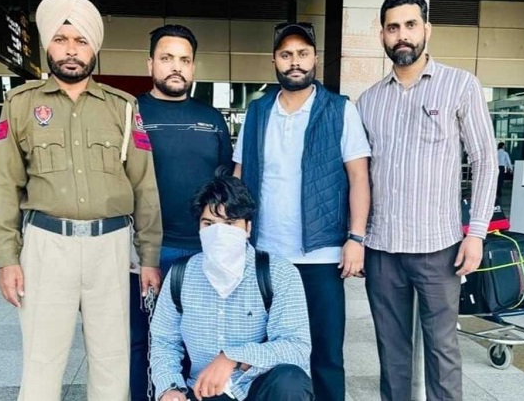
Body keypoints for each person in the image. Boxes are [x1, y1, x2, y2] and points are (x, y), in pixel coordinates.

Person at [0, 0, 162, 399]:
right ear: (48, 45)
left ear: (93, 48)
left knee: (112, 361)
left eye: (81, 40)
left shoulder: (122, 107)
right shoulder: (21, 104)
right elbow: (5, 185)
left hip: (111, 247)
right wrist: (7, 259)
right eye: (61, 39)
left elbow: (144, 186)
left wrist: (149, 257)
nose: (71, 50)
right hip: (47, 246)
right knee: (42, 361)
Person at [356, 0, 498, 400]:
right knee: (392, 354)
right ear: (382, 35)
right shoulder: (369, 100)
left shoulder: (460, 85)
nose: (402, 35)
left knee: (442, 352)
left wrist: (476, 233)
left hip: (438, 248)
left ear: (426, 29)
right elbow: (359, 176)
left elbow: (485, 160)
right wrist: (357, 238)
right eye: (393, 27)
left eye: (410, 25)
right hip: (382, 249)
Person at [233, 22, 371, 401]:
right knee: (266, 355)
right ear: (274, 60)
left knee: (326, 356)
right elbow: (239, 176)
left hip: (321, 256)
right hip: (265, 256)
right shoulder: (257, 111)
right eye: (286, 54)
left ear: (315, 58)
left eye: (302, 53)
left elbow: (359, 176)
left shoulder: (339, 110)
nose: (295, 61)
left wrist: (356, 238)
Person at [129, 24, 234, 400]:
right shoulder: (131, 113)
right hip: (149, 252)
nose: (176, 66)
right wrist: (140, 255)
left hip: (204, 253)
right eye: (167, 58)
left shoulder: (212, 119)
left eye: (184, 60)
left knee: (199, 342)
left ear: (193, 66)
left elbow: (226, 186)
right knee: (142, 342)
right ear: (150, 64)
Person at [150, 171, 313, 401]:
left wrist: (233, 357)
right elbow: (164, 340)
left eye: (229, 223)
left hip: (257, 388)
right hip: (205, 391)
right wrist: (169, 388)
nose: (219, 233)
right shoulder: (182, 274)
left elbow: (296, 347)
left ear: (247, 228)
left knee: (291, 381)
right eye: (209, 224)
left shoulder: (278, 273)